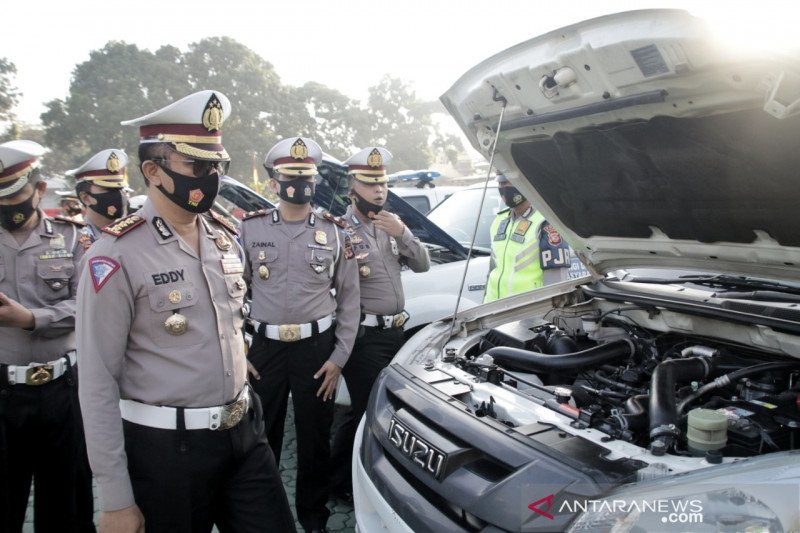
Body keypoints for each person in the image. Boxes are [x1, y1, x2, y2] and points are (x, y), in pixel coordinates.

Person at [76, 90, 295, 533]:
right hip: (167, 452)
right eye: (196, 165)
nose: (210, 176)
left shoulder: (222, 237)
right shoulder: (115, 256)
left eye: (217, 165)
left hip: (245, 434)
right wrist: (116, 499)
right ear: (153, 171)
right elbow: (97, 382)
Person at [241, 136, 360, 533]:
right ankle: (267, 519)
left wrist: (338, 358)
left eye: (306, 177)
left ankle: (314, 520)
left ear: (315, 181)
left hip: (316, 350)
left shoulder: (335, 231)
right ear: (274, 182)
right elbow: (230, 294)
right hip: (264, 351)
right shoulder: (249, 230)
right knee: (262, 439)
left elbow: (349, 300)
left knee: (314, 440)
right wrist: (240, 351)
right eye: (290, 177)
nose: (299, 185)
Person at [0, 140, 95, 532]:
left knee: (67, 504)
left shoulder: (74, 238)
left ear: (39, 189)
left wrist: (30, 319)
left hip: (62, 389)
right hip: (3, 392)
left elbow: (87, 304)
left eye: (15, 194)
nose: (8, 206)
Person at [329, 146, 430, 501]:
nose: (379, 190)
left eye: (383, 184)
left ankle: (345, 477)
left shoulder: (389, 224)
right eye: (370, 184)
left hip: (396, 332)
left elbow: (422, 265)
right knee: (368, 408)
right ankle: (344, 484)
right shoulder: (339, 231)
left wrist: (403, 232)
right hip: (364, 336)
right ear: (351, 188)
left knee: (371, 407)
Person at [483, 173, 585, 302]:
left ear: (524, 184)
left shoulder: (545, 222)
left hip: (528, 313)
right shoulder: (499, 221)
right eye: (500, 184)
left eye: (507, 183)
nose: (502, 188)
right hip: (493, 310)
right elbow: (492, 270)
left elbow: (556, 282)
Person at [67, 148, 130, 249]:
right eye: (109, 189)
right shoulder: (71, 238)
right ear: (85, 198)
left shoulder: (135, 235)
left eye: (120, 189)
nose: (118, 195)